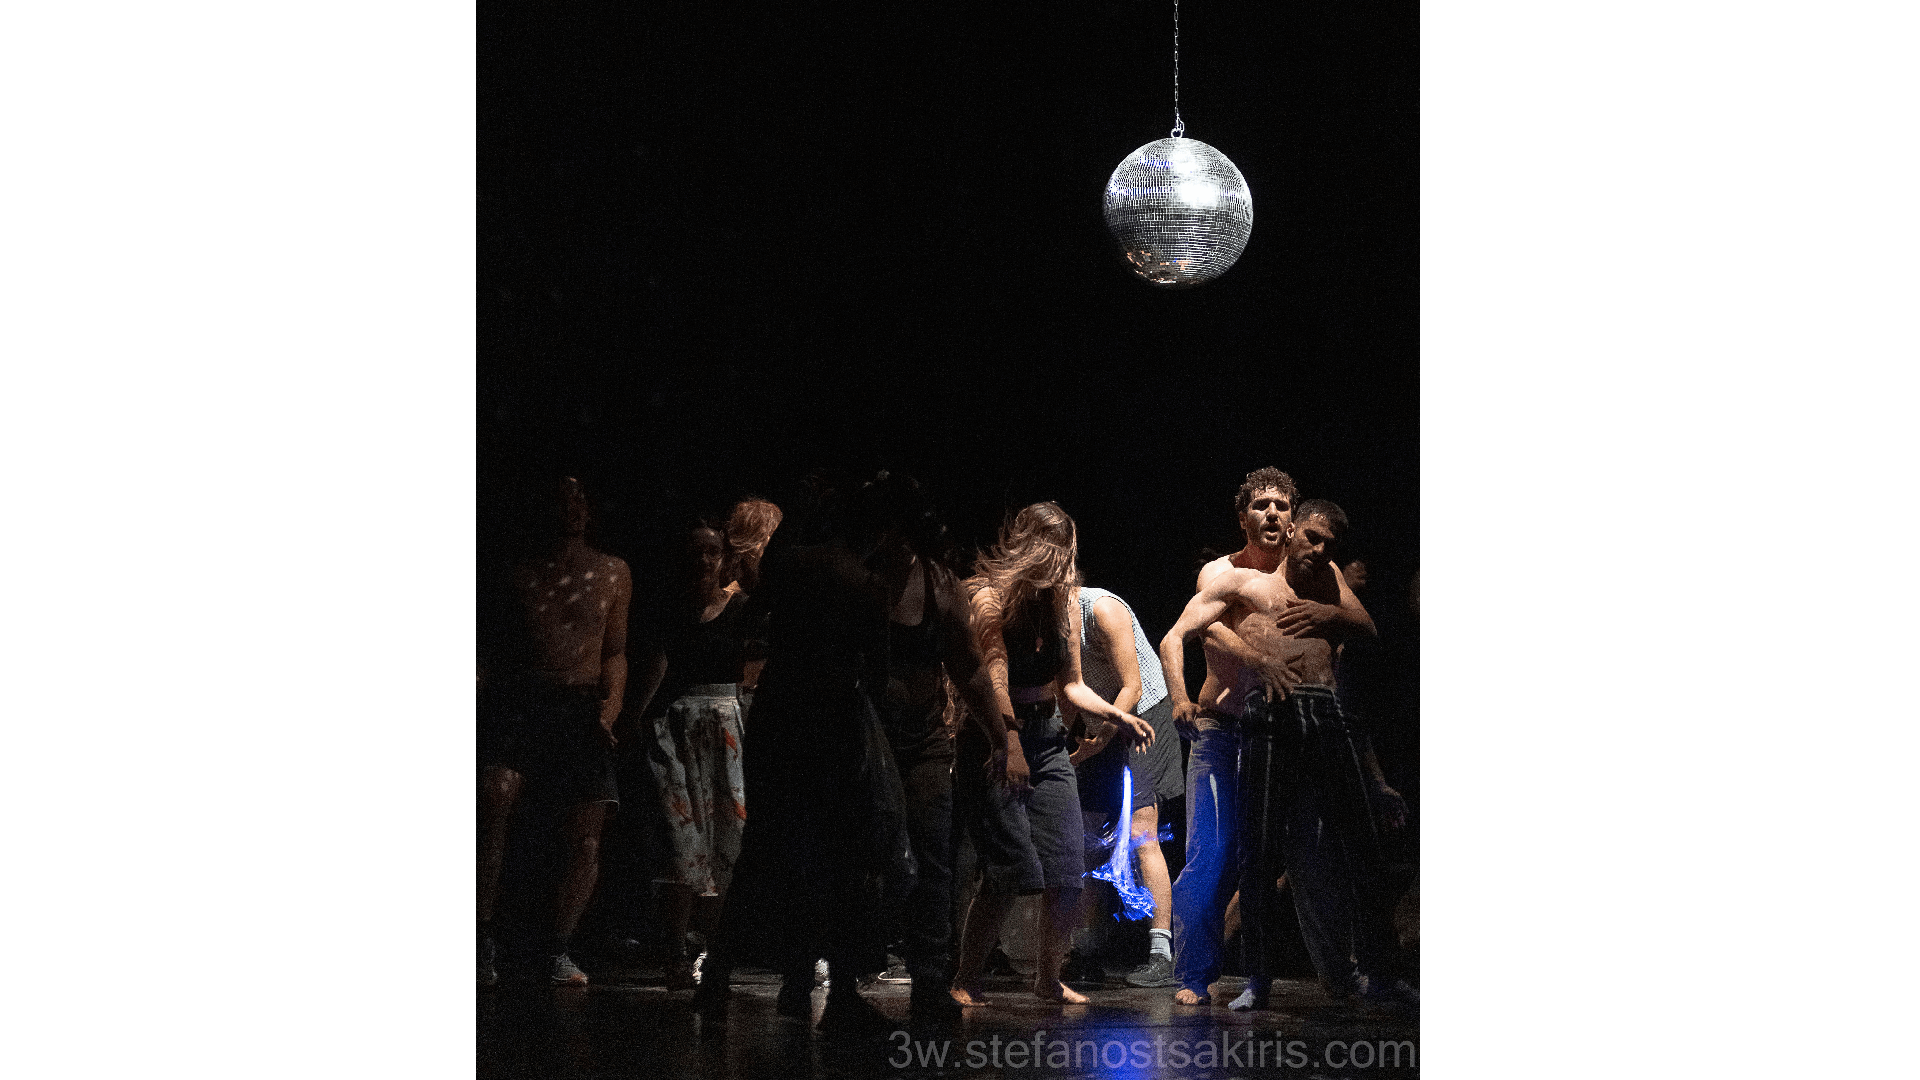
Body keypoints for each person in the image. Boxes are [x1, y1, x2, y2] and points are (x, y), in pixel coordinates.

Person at [694, 472, 999, 1035]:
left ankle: (736, 976)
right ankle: (830, 991)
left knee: (774, 852)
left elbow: (763, 621)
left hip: (786, 718)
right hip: (833, 727)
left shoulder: (795, 561)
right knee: (839, 863)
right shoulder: (861, 582)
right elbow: (873, 674)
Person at [1161, 499, 1414, 1011]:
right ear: (1292, 530)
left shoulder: (1329, 579)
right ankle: (1253, 978)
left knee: (1356, 849)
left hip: (1324, 712)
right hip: (1260, 717)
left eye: (1329, 544)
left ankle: (1375, 974)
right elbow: (1181, 634)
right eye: (1312, 537)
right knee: (1249, 852)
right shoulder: (1237, 580)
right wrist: (1182, 698)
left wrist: (1329, 613)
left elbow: (1366, 629)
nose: (1318, 549)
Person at [948, 502, 1155, 1007]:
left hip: (1047, 737)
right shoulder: (989, 598)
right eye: (1057, 550)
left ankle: (1048, 977)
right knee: (1009, 870)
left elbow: (1073, 685)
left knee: (1066, 867)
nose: (1065, 562)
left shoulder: (1062, 605)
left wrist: (1117, 714)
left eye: (1069, 551)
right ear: (1031, 548)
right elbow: (994, 679)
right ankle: (965, 978)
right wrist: (1010, 746)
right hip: (994, 735)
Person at [476, 476, 631, 987]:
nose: (573, 506)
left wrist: (611, 709)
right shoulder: (517, 572)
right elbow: (492, 647)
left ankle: (559, 947)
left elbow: (614, 652)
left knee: (585, 837)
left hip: (580, 708)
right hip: (522, 703)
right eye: (562, 498)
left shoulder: (613, 571)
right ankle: (483, 939)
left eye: (581, 497)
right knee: (494, 801)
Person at [1165, 466, 1297, 1006]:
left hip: (1279, 734)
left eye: (1281, 505)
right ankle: (1194, 974)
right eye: (1261, 505)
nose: (1272, 514)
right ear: (1243, 517)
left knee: (1279, 856)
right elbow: (1203, 631)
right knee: (1210, 852)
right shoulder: (1220, 572)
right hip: (1220, 729)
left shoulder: (1300, 575)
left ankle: (1292, 969)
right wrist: (1180, 698)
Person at [626, 515, 766, 991]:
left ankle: (714, 952)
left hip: (725, 725)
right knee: (680, 837)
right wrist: (633, 717)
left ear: (724, 558)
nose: (704, 561)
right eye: (696, 552)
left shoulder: (741, 608)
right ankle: (675, 953)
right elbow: (658, 664)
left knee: (727, 838)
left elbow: (760, 660)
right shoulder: (671, 609)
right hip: (677, 725)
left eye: (712, 552)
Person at [1064, 578, 1183, 988]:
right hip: (1100, 718)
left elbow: (1132, 685)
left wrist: (1101, 741)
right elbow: (1066, 690)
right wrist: (1069, 744)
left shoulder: (1101, 609)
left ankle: (1162, 954)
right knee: (1088, 837)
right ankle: (1086, 950)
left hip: (1142, 713)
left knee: (1140, 832)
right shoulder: (1046, 620)